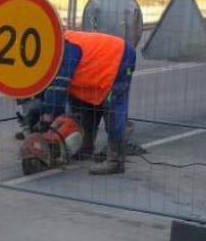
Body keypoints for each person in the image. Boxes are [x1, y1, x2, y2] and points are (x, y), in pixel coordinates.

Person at [39, 30, 137, 175]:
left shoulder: (65, 51)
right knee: (83, 106)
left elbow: (57, 89)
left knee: (113, 111)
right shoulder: (55, 46)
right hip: (95, 72)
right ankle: (86, 148)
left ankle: (115, 161)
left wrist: (47, 119)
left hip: (119, 59)